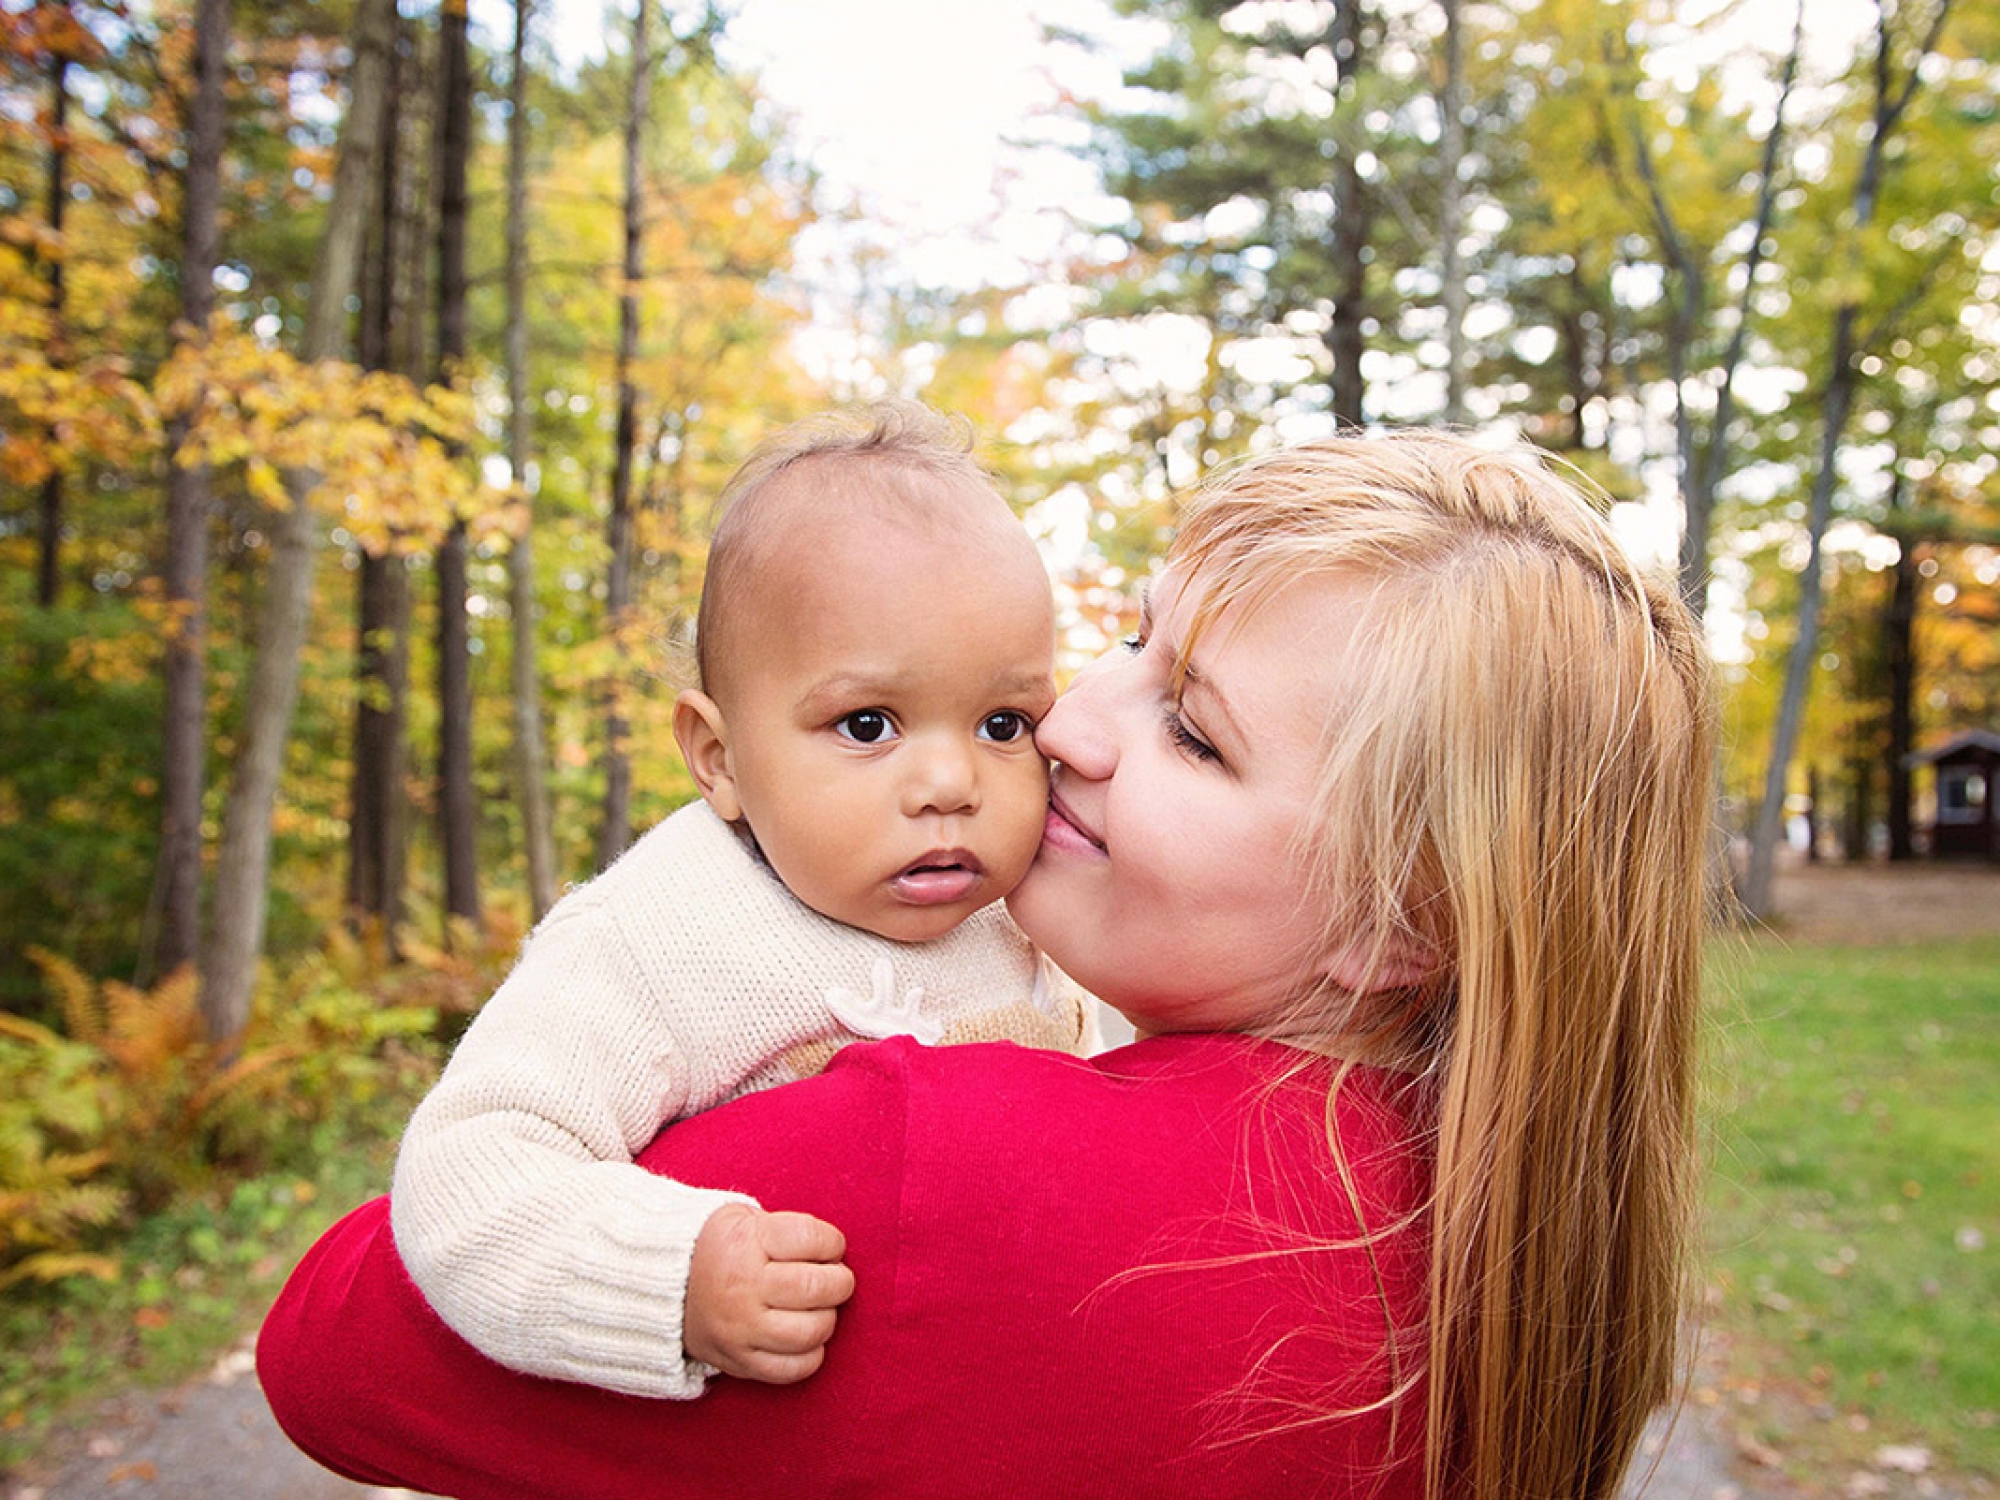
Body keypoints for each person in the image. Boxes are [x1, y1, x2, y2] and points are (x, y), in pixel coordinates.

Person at [261, 430, 1718, 1500]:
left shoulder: (934, 1170)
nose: (1073, 725)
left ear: (1403, 925)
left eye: (1193, 732)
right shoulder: (1509, 1231)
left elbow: (328, 1346)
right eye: (1132, 641)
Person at [389, 402, 1095, 1401]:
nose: (951, 782)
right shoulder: (657, 934)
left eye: (1001, 721)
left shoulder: (1034, 908)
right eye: (865, 723)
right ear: (719, 759)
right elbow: (471, 1167)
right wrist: (672, 1279)